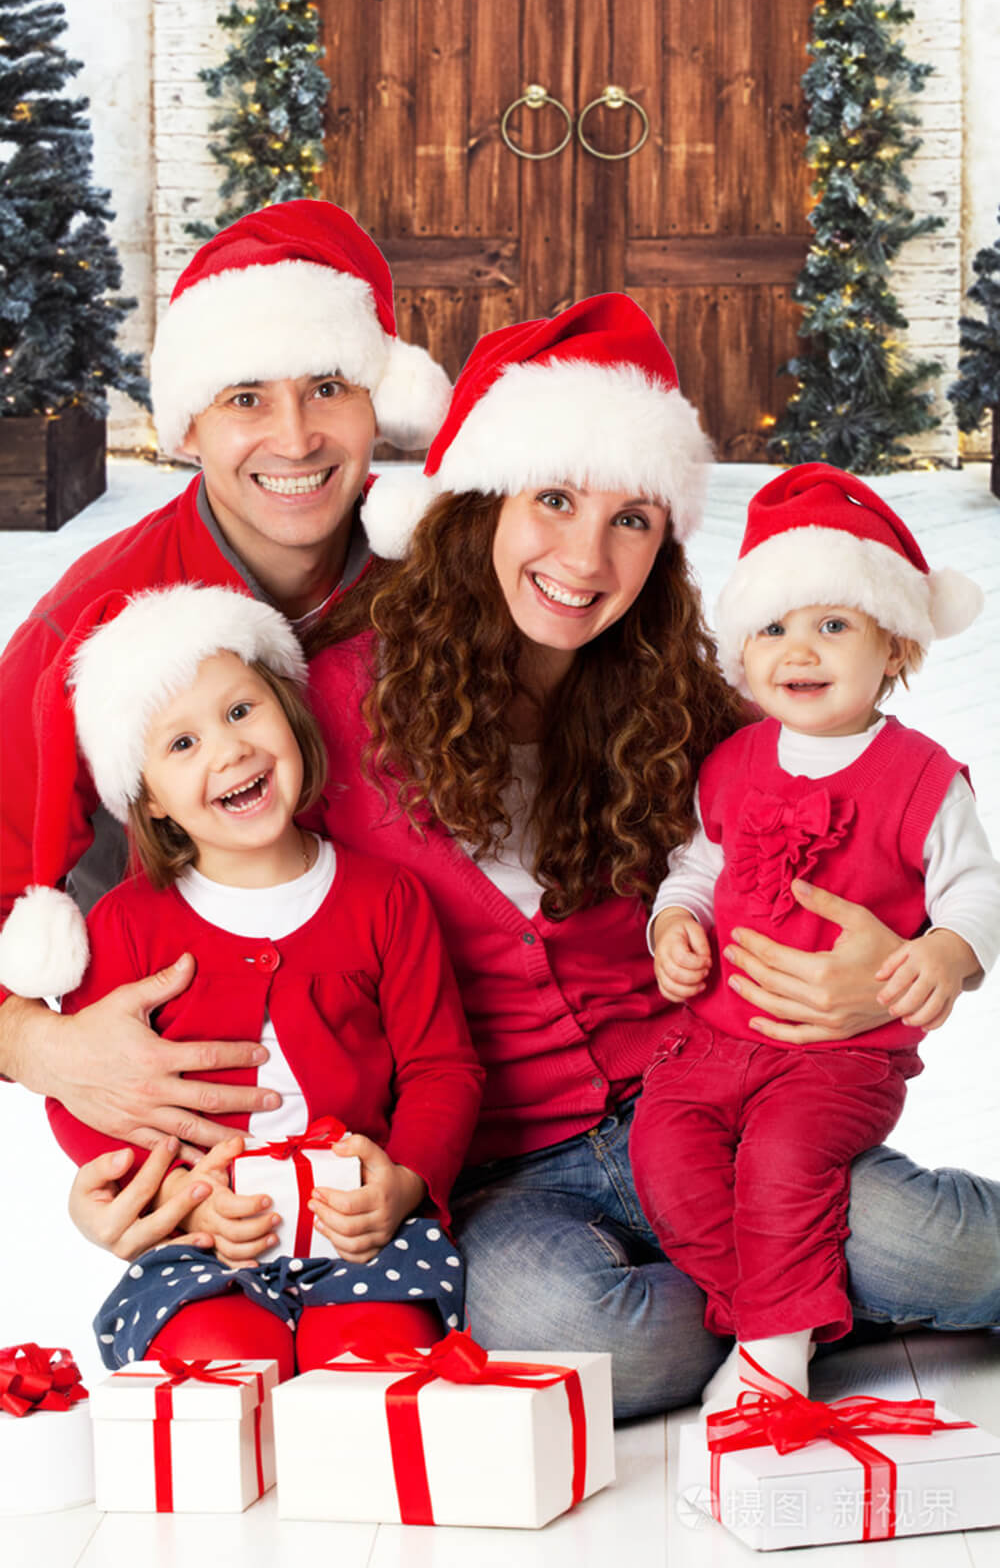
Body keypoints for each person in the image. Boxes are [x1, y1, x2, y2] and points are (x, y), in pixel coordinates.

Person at [295, 293, 1000, 1419]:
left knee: (945, 1250)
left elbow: (889, 847)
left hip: (723, 1103)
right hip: (508, 1171)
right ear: (476, 504)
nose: (587, 554)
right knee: (558, 1330)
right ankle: (798, 1306)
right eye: (556, 498)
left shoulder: (704, 709)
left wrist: (905, 972)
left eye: (631, 518)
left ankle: (794, 1297)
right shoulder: (334, 710)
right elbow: (240, 915)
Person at [0, 199, 450, 1156]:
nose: (294, 439)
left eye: (329, 386)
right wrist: (39, 1044)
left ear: (383, 401)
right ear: (190, 427)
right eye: (245, 397)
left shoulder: (447, 571)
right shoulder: (90, 620)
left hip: (440, 1082)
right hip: (212, 1132)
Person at [17, 584, 482, 1376]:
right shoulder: (128, 924)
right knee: (219, 1368)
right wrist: (182, 1203)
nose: (229, 751)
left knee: (370, 1370)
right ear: (152, 803)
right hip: (207, 1233)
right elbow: (87, 1101)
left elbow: (445, 1070)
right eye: (181, 744)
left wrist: (403, 1182)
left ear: (291, 718)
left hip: (359, 1226)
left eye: (240, 712)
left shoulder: (387, 898)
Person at [627, 464, 1000, 1413]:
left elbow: (976, 890)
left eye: (834, 624)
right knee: (666, 1154)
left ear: (896, 650)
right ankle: (771, 1314)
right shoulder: (732, 762)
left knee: (783, 1165)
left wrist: (947, 955)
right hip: (712, 1042)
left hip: (839, 1057)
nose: (802, 648)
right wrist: (678, 921)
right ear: (745, 650)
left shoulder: (920, 777)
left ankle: (774, 1350)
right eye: (776, 626)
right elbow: (699, 868)